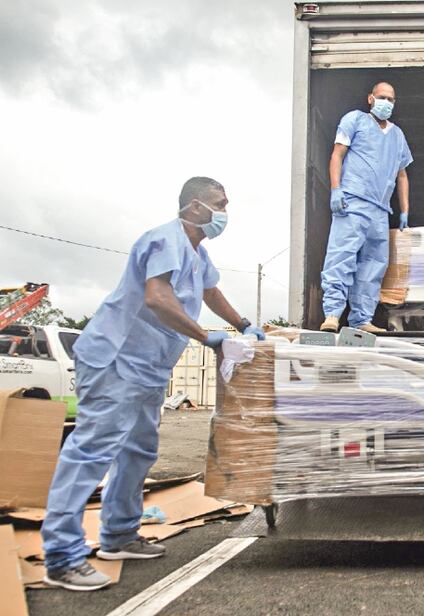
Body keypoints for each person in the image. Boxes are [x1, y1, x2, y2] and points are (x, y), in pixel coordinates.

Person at [40, 177, 266, 591]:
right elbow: (156, 298)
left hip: (148, 365)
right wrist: (205, 337)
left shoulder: (198, 253)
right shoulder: (164, 239)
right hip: (116, 357)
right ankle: (61, 557)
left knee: (139, 450)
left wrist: (244, 325)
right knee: (92, 450)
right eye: (220, 204)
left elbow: (211, 292)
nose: (225, 212)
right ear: (195, 207)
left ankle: (119, 535)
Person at [320, 81, 413, 333]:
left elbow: (402, 174)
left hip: (380, 210)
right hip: (352, 199)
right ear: (370, 98)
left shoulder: (398, 135)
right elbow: (337, 154)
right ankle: (332, 314)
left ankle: (362, 319)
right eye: (382, 97)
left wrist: (404, 209)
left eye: (391, 99)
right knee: (342, 256)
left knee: (373, 265)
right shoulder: (355, 120)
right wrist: (336, 189)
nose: (386, 102)